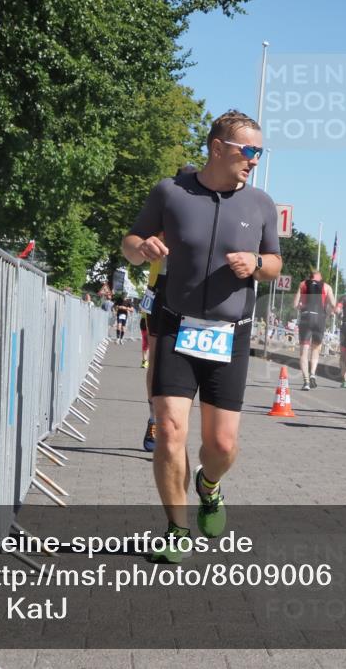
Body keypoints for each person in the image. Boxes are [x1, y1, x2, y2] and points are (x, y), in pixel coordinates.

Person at [122, 110, 281, 563]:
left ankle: (209, 485)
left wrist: (257, 266)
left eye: (259, 151)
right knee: (170, 430)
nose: (254, 159)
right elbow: (130, 243)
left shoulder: (261, 204)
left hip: (230, 334)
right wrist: (142, 248)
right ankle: (176, 528)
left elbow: (275, 263)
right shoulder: (170, 192)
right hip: (176, 324)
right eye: (248, 150)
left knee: (222, 445)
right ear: (217, 148)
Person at [139, 164, 199, 453]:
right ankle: (154, 418)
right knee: (155, 355)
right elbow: (139, 241)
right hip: (160, 287)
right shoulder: (164, 205)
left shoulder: (203, 208)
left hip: (192, 293)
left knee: (185, 359)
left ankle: (174, 422)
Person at [293, 270, 334, 390]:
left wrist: (301, 306)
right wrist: (327, 313)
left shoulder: (302, 284)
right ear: (319, 277)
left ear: (310, 277)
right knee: (316, 349)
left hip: (306, 318)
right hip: (319, 319)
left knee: (303, 352)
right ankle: (312, 374)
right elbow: (333, 304)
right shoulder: (326, 287)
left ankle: (306, 382)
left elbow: (295, 304)